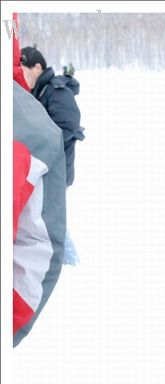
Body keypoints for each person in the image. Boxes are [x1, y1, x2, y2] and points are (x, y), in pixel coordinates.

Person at [13, 15, 67, 346]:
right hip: (44, 166)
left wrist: (63, 163)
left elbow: (68, 128)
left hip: (48, 164)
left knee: (51, 227)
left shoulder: (54, 95)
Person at [21, 46, 84, 187]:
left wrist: (38, 146)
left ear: (37, 67)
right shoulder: (37, 92)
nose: (21, 76)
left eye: (23, 71)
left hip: (56, 174)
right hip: (44, 171)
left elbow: (68, 126)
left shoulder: (56, 90)